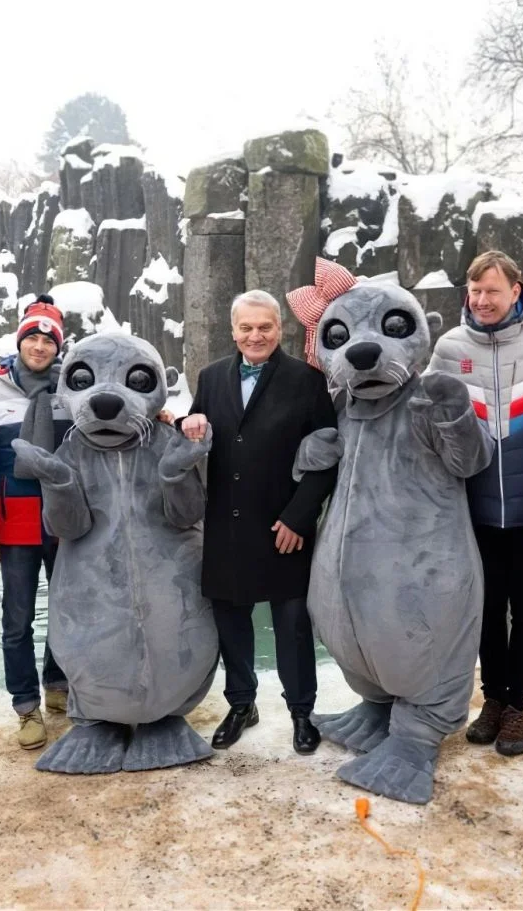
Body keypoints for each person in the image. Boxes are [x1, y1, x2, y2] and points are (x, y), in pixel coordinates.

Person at [176, 289, 337, 754]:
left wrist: (299, 518)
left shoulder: (307, 380)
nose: (255, 335)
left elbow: (328, 454)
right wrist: (188, 422)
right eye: (246, 328)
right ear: (233, 331)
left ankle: (301, 712)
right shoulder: (209, 377)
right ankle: (242, 703)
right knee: (231, 623)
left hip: (283, 527)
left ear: (279, 328)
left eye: (264, 326)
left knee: (291, 626)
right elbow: (198, 427)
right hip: (226, 527)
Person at [427, 250, 523, 757]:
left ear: (516, 291)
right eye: (475, 291)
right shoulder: (449, 347)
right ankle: (492, 700)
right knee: (483, 610)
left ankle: (517, 706)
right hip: (473, 508)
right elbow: (430, 418)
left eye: (492, 291)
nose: (482, 300)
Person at [0, 294, 73, 751]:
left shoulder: (73, 387)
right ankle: (25, 706)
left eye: (48, 339)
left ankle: (57, 685)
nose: (39, 345)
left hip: (65, 521)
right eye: (32, 336)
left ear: (58, 346)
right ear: (20, 340)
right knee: (17, 620)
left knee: (68, 611)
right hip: (15, 524)